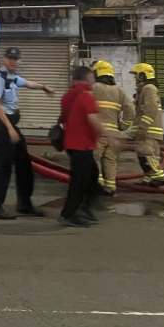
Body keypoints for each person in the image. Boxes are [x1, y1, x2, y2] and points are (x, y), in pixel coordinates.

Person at [0, 46, 56, 220]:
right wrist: (10, 128)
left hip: (9, 126)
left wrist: (44, 87)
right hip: (1, 126)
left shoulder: (12, 77)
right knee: (4, 167)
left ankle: (24, 204)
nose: (13, 61)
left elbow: (28, 83)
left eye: (15, 59)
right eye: (10, 58)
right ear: (4, 59)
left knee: (24, 164)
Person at [58, 66, 105, 227]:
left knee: (91, 175)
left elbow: (63, 117)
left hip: (72, 143)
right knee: (80, 181)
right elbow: (92, 119)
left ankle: (82, 207)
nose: (94, 81)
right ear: (86, 79)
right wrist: (109, 136)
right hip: (81, 144)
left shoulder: (67, 96)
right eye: (92, 78)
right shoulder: (85, 95)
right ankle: (69, 214)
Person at [91, 60, 134, 196]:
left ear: (97, 73)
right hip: (114, 134)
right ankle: (110, 187)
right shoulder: (119, 91)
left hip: (97, 132)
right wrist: (123, 125)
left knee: (94, 158)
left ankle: (97, 183)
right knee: (110, 160)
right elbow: (130, 109)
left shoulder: (93, 88)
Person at [127, 62, 164, 187]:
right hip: (149, 129)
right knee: (144, 154)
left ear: (142, 75)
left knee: (146, 153)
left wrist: (143, 127)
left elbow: (151, 108)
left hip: (149, 129)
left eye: (136, 75)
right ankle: (148, 178)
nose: (135, 78)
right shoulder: (145, 89)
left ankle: (158, 177)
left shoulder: (149, 88)